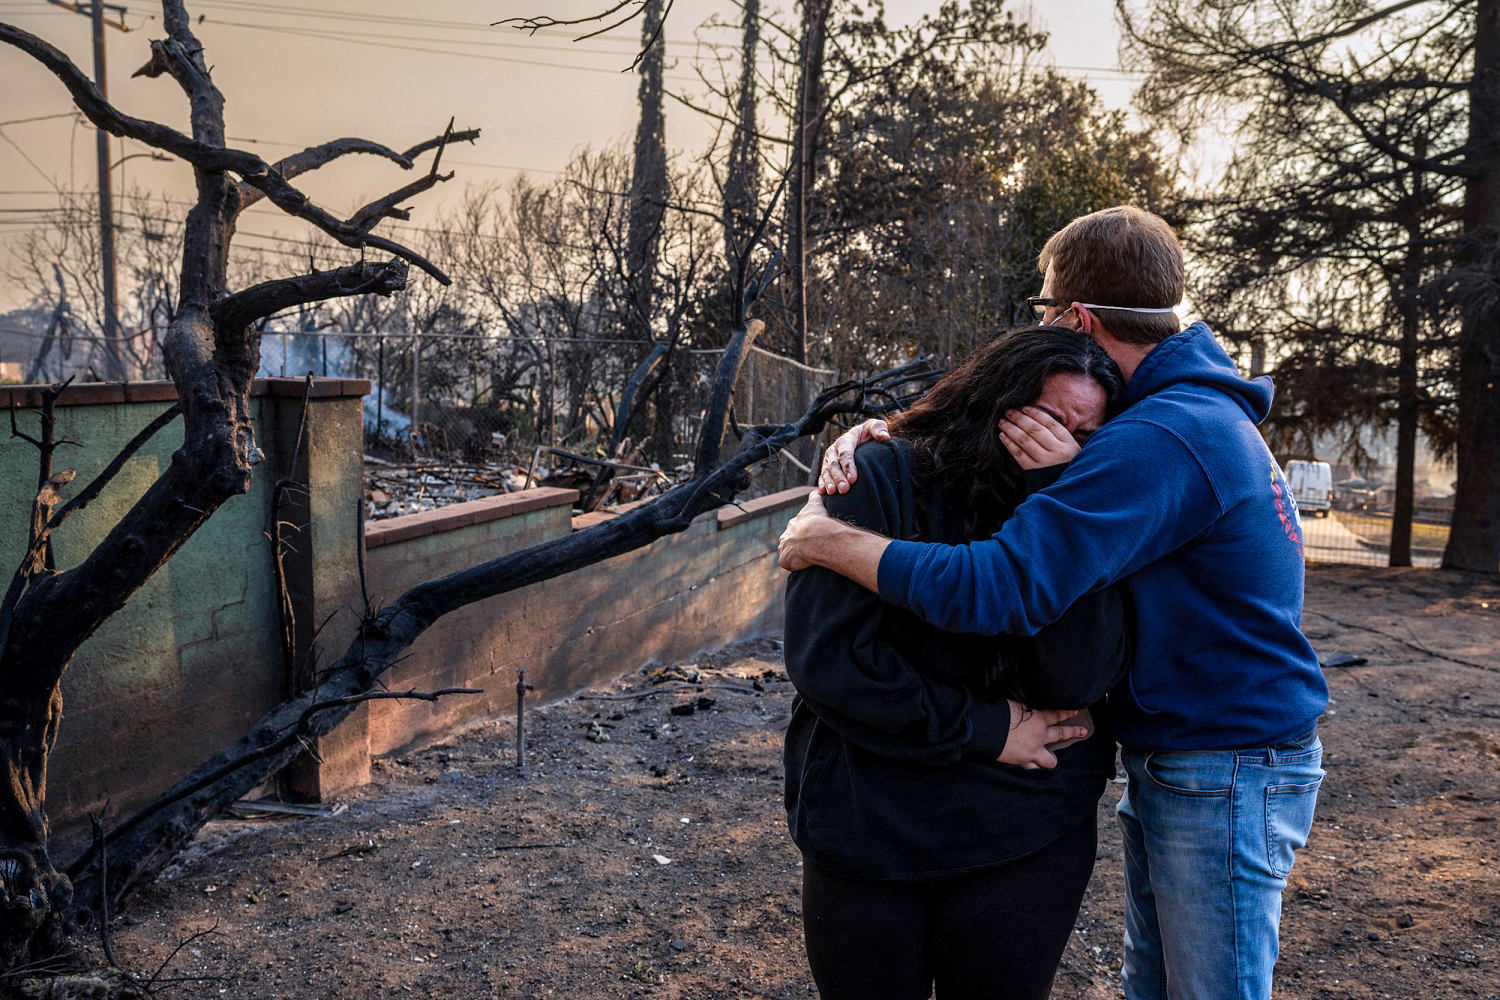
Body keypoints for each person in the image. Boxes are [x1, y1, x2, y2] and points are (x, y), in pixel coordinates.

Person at [779, 206, 1328, 1000]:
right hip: (1201, 758)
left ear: (1076, 317)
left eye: (1045, 309)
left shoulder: (1162, 435)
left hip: (1224, 762)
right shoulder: (1177, 413)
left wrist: (831, 542)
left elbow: (1004, 585)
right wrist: (879, 437)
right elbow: (960, 427)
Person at [784, 326, 1131, 1000]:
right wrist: (984, 727)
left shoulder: (1084, 504)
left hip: (1026, 830)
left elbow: (1077, 678)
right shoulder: (876, 475)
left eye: (1083, 435)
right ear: (993, 401)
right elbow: (831, 662)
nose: (1061, 442)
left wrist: (1056, 497)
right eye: (1045, 420)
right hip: (870, 826)